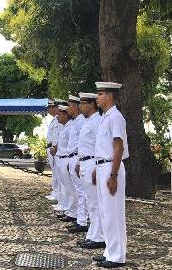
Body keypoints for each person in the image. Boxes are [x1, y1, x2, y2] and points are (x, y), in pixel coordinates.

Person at [92, 82, 128, 269]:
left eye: (100, 93)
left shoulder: (115, 117)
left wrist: (113, 175)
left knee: (113, 213)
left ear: (110, 96)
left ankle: (117, 255)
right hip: (102, 166)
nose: (97, 97)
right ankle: (109, 250)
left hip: (110, 168)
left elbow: (118, 146)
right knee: (105, 212)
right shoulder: (106, 117)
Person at [76, 92, 105, 249]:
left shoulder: (97, 121)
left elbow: (98, 146)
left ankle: (99, 237)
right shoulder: (88, 122)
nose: (80, 106)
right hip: (85, 163)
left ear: (92, 104)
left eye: (83, 103)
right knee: (90, 201)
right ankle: (93, 234)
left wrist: (95, 167)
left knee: (95, 203)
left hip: (93, 164)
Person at [66, 94, 87, 233]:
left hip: (79, 158)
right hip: (73, 157)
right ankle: (79, 218)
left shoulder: (81, 122)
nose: (68, 108)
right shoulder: (75, 122)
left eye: (69, 105)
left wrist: (79, 160)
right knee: (77, 190)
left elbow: (83, 144)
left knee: (81, 192)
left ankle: (82, 221)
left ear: (75, 106)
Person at [53, 105, 77, 223]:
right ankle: (69, 210)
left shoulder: (70, 127)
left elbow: (71, 145)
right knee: (65, 187)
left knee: (71, 188)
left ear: (66, 115)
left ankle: (73, 212)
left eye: (60, 115)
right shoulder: (63, 127)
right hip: (60, 158)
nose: (57, 117)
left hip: (66, 158)